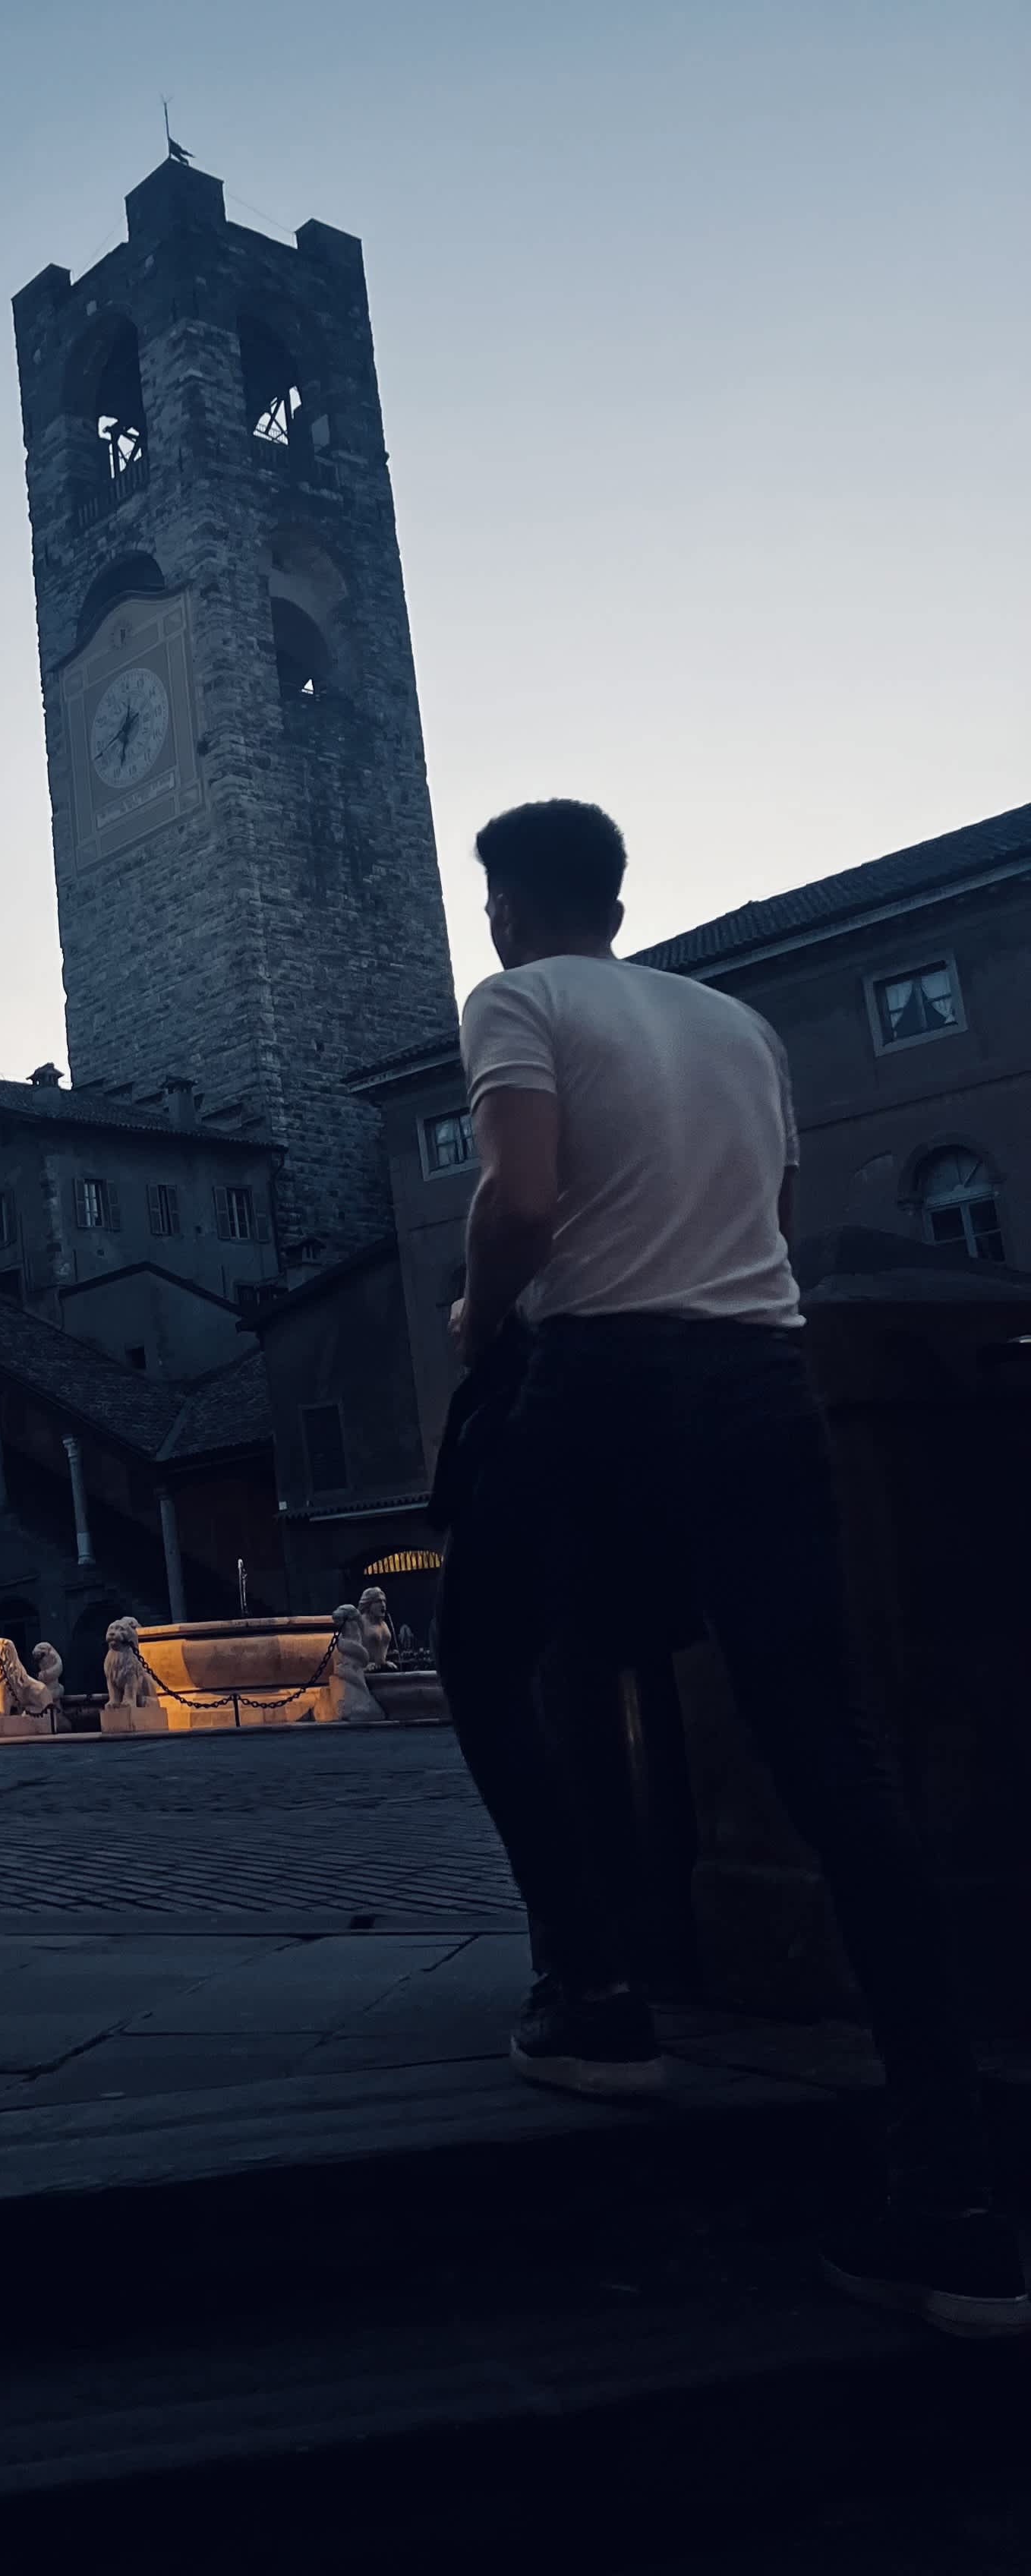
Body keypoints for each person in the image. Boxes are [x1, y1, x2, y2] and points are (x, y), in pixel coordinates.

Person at [440, 797, 1025, 2338]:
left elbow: (524, 1197)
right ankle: (954, 2197)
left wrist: (473, 1316)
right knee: (831, 1755)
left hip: (602, 1377)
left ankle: (594, 1992)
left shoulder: (517, 998)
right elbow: (765, 1220)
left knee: (485, 1658)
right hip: (763, 1381)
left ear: (505, 901)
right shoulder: (736, 1025)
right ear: (619, 896)